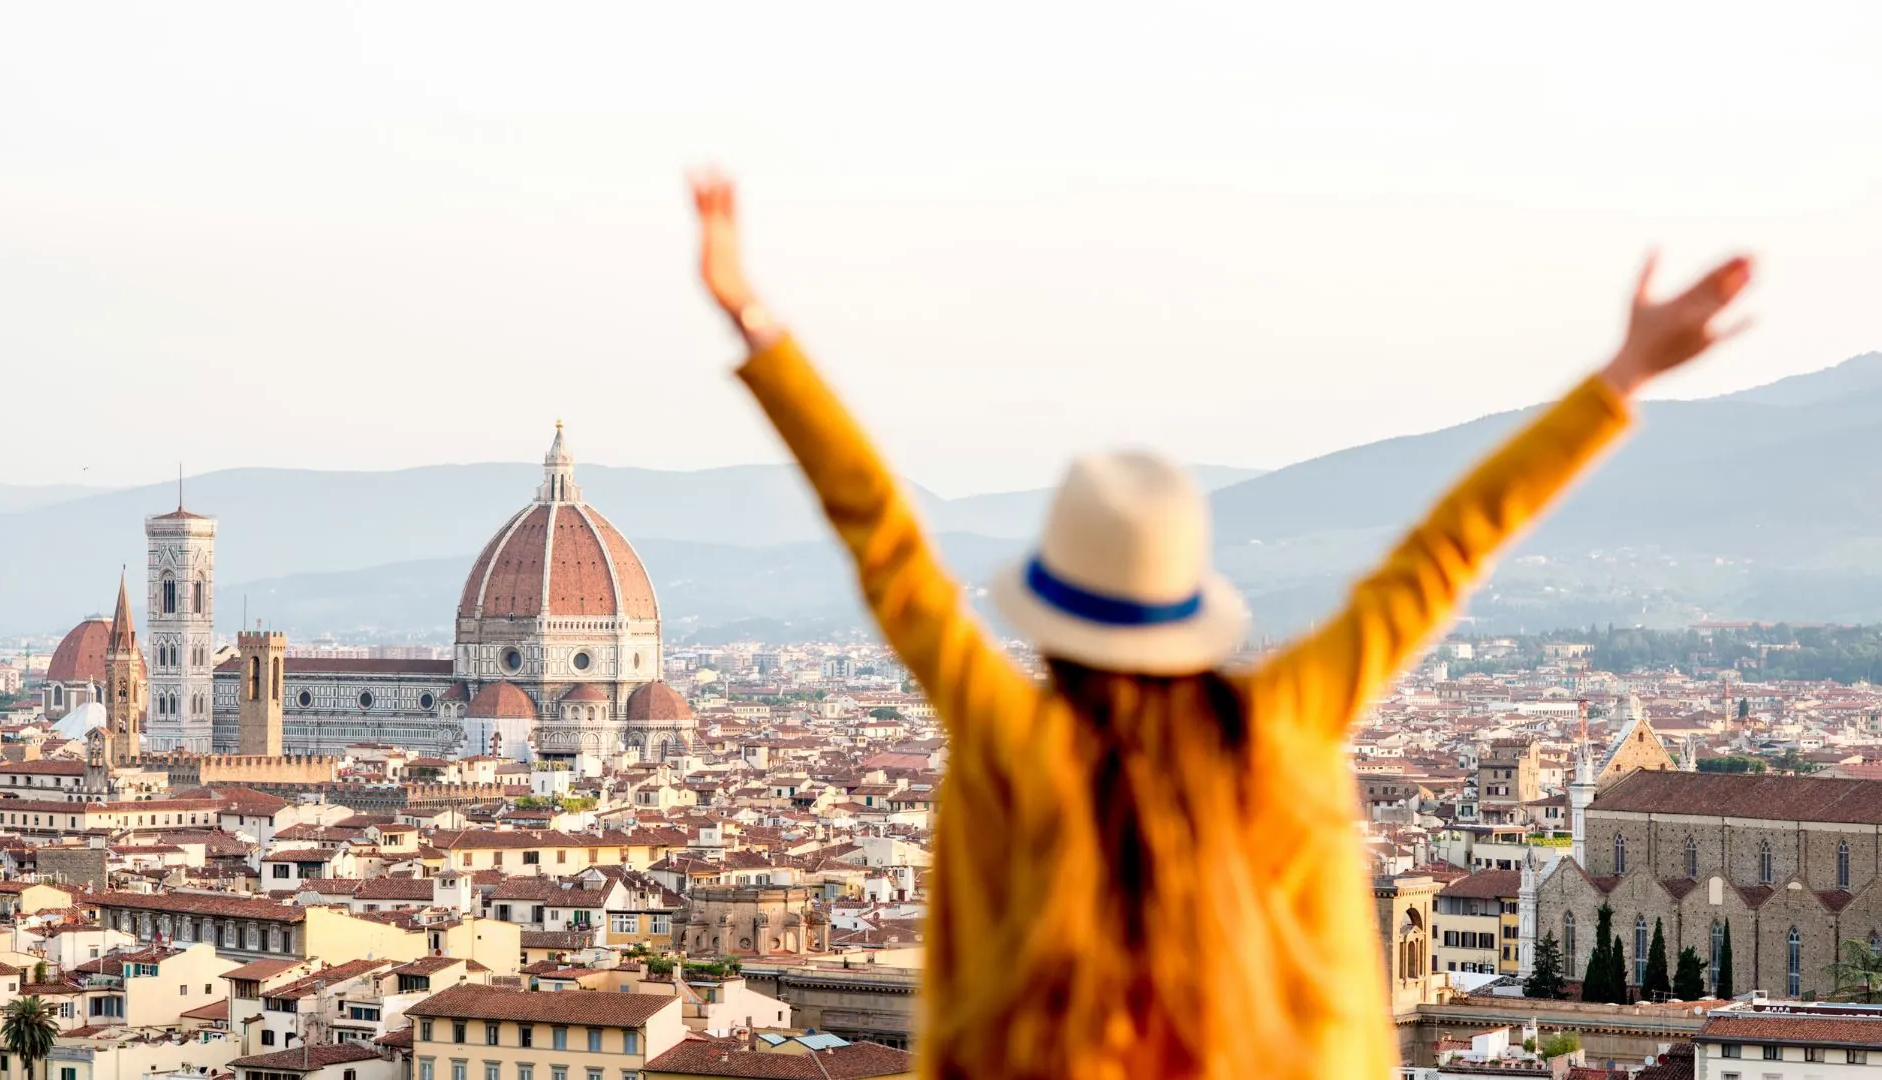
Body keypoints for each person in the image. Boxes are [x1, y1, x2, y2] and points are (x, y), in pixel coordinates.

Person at [689, 170, 1751, 1080]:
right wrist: (1620, 379)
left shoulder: (1019, 741)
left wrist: (757, 328)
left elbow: (885, 545)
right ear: (1188, 609)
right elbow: (1444, 554)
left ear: (1054, 617)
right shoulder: (1280, 723)